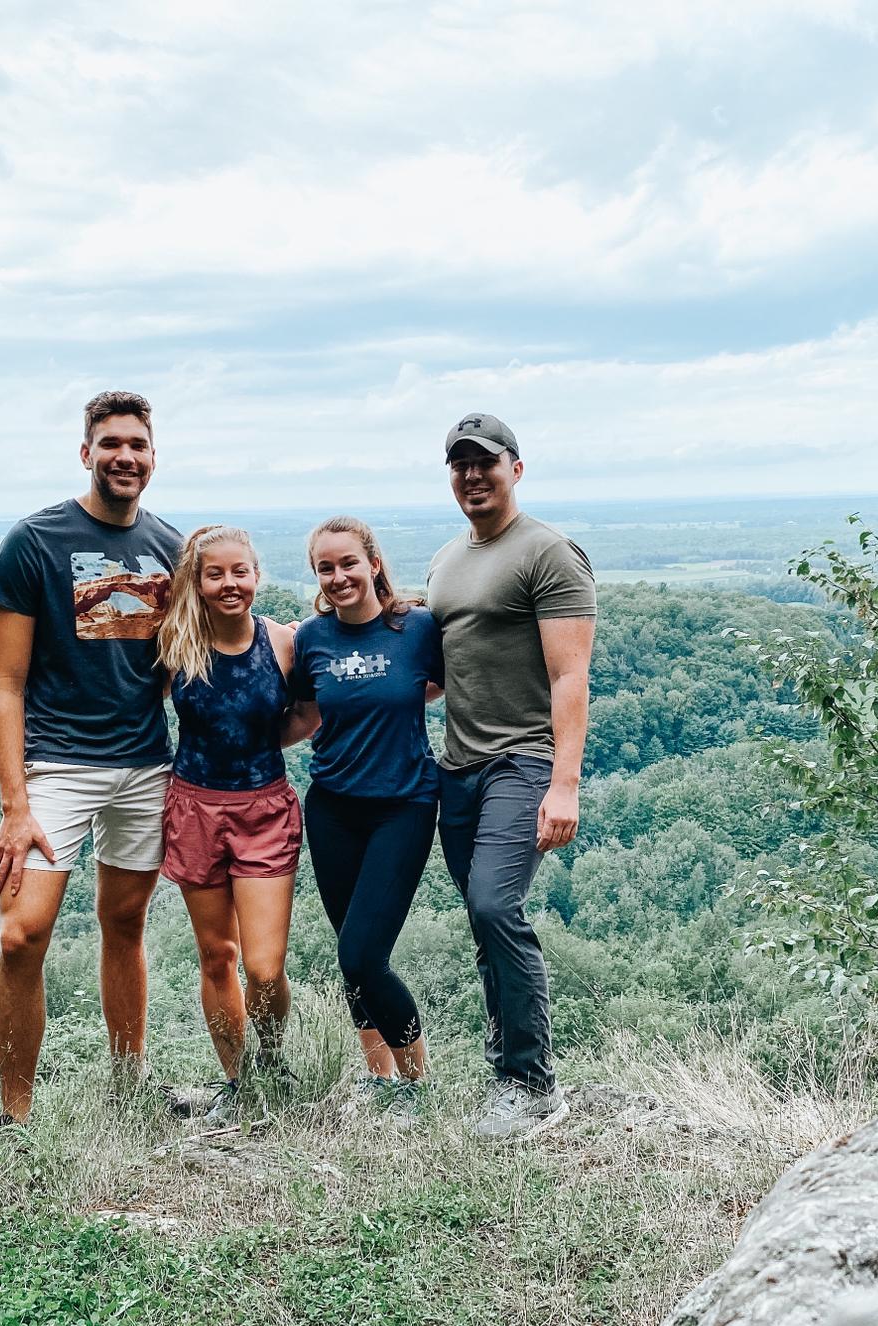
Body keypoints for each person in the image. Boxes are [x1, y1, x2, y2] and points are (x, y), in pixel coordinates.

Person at [0, 390, 183, 1125]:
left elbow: (183, 665)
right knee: (21, 934)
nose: (125, 456)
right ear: (86, 452)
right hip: (56, 767)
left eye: (138, 445)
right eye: (111, 444)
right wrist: (15, 804)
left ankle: (128, 1088)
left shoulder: (171, 547)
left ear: (153, 457)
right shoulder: (35, 541)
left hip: (144, 766)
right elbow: (4, 683)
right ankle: (16, 1117)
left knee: (125, 925)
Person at [426, 413, 596, 1140]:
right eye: (460, 464)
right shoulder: (446, 559)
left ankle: (533, 1085)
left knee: (497, 908)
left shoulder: (549, 553)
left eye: (485, 462)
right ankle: (506, 1072)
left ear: (515, 469)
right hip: (458, 768)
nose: (473, 475)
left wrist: (565, 784)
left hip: (521, 762)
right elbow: (441, 668)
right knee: (481, 921)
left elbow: (570, 676)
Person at [283, 516, 444, 1123]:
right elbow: (302, 714)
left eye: (348, 562)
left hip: (403, 805)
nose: (338, 575)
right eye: (325, 567)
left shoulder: (418, 627)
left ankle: (416, 1088)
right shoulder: (311, 639)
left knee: (362, 955)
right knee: (349, 949)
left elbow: (440, 684)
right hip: (332, 808)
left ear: (373, 562)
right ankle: (378, 1080)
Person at [155, 525, 302, 1127]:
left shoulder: (284, 643)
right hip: (194, 807)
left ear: (257, 574)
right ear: (196, 581)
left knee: (264, 966)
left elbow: (310, 713)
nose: (228, 584)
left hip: (265, 808)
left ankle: (274, 1065)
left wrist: (261, 748)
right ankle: (239, 1083)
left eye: (239, 571)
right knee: (218, 955)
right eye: (214, 574)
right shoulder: (176, 643)